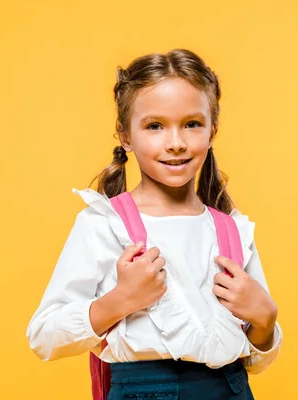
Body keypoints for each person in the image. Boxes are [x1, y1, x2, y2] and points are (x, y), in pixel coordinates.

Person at [26, 48, 283, 399]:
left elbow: (253, 360)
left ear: (212, 131)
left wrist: (266, 321)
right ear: (126, 136)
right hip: (143, 391)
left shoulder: (232, 231)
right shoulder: (103, 225)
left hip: (231, 389)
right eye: (155, 126)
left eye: (192, 124)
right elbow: (43, 336)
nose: (175, 143)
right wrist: (119, 300)